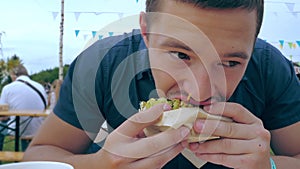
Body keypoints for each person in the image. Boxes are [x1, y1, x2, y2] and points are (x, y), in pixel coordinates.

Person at [24, 0, 300, 168]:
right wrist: (98, 166)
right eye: (181, 55)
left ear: (253, 45)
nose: (199, 92)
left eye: (230, 63)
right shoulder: (101, 64)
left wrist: (270, 166)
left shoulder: (269, 67)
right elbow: (36, 157)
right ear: (146, 32)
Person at [0, 64, 47, 151]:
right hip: (38, 128)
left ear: (14, 75)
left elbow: (3, 114)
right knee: (26, 125)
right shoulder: (40, 87)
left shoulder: (7, 88)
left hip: (17, 129)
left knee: (2, 126)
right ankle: (27, 155)